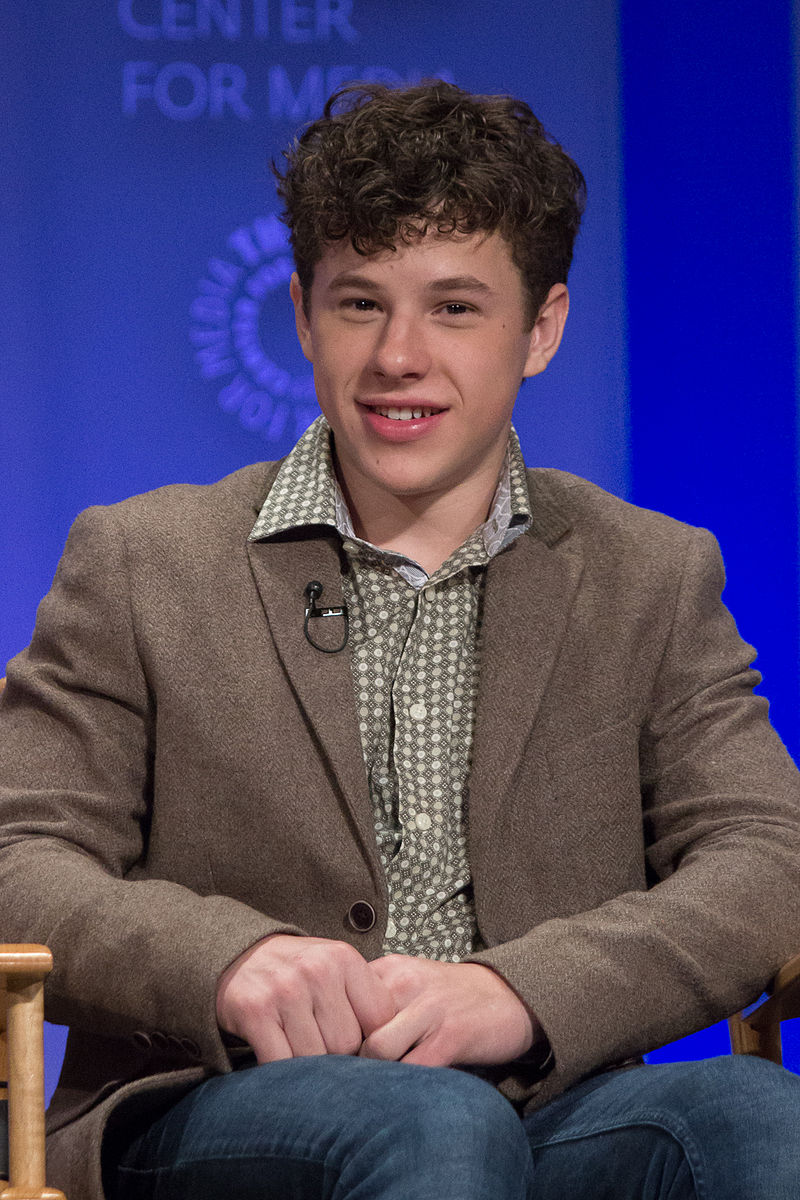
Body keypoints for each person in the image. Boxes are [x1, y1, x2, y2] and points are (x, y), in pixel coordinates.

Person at [2, 80, 800, 1200]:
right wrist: (225, 963)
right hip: (215, 1104)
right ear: (302, 316)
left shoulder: (650, 575)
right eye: (360, 303)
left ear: (542, 328)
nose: (398, 357)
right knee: (428, 1132)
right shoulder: (143, 562)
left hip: (553, 1101)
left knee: (759, 1118)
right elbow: (17, 858)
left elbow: (769, 862)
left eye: (456, 308)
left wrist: (525, 994)